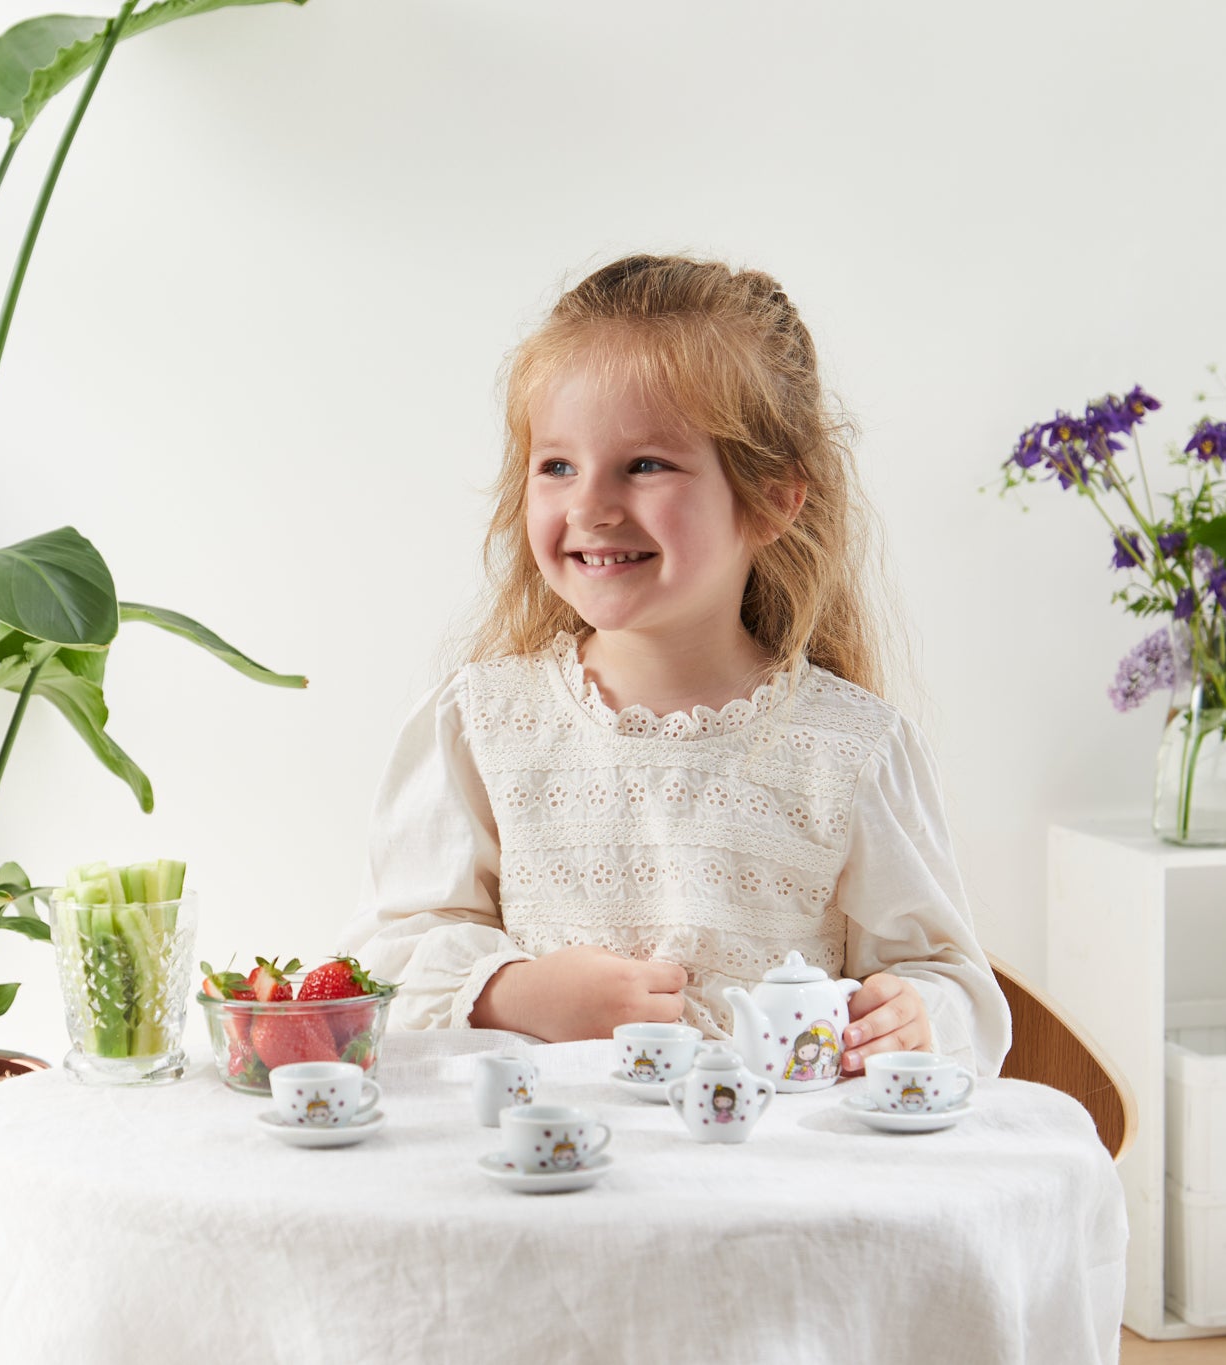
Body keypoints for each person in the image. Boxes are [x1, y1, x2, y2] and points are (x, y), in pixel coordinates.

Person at [336, 254, 1009, 1077]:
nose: (590, 504)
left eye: (646, 464)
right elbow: (384, 964)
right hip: (541, 1182)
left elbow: (948, 985)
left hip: (768, 1187)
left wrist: (914, 1016)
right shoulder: (480, 725)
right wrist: (516, 991)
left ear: (770, 499)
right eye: (557, 465)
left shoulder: (850, 750)